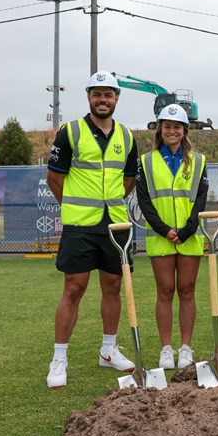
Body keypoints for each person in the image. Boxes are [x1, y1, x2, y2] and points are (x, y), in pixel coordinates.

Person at [45, 71, 139, 389]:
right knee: (74, 289)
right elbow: (54, 179)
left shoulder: (126, 137)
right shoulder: (70, 132)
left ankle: (108, 351)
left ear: (116, 99)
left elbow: (128, 181)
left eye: (109, 94)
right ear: (88, 96)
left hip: (115, 223)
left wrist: (109, 204)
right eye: (97, 93)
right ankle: (59, 358)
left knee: (113, 288)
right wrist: (73, 207)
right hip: (80, 226)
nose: (103, 99)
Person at [136, 105, 209, 369]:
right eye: (167, 126)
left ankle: (186, 348)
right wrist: (163, 229)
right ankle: (166, 349)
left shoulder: (198, 161)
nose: (172, 131)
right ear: (160, 129)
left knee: (187, 291)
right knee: (165, 291)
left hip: (190, 236)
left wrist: (188, 228)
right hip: (160, 237)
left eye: (177, 126)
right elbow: (144, 201)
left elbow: (201, 198)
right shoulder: (146, 161)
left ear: (184, 130)